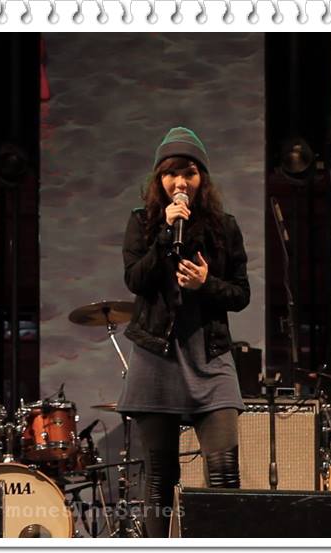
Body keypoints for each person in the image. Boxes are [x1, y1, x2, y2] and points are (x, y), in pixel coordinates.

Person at [116, 127, 249, 538]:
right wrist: (163, 236)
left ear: (201, 178)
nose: (180, 182)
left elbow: (241, 294)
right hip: (156, 356)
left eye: (189, 173)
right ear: (159, 180)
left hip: (210, 355)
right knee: (160, 476)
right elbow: (135, 280)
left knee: (224, 471)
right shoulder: (142, 222)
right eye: (171, 174)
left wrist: (206, 284)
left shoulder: (224, 227)